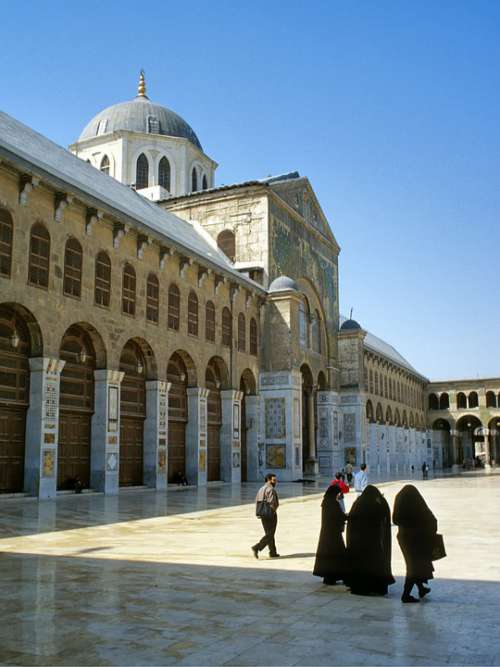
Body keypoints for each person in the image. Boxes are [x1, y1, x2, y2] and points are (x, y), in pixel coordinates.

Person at [346, 484, 395, 596]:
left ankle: (360, 586)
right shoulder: (376, 503)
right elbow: (384, 515)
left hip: (358, 542)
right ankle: (377, 587)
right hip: (373, 542)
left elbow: (351, 520)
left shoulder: (358, 503)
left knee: (361, 564)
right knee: (374, 563)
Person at [393, 484, 438, 603]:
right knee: (413, 566)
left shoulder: (399, 498)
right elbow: (430, 518)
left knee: (414, 564)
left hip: (403, 537)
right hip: (416, 539)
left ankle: (421, 589)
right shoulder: (416, 501)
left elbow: (395, 519)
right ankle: (405, 595)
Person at [313, 485, 349, 585]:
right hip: (333, 534)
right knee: (337, 554)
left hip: (326, 532)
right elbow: (339, 516)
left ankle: (328, 577)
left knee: (328, 555)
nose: (339, 496)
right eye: (338, 494)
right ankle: (335, 575)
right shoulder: (333, 503)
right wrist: (348, 516)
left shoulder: (325, 502)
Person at [252, 473, 280, 559]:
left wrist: (259, 513)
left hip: (263, 514)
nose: (276, 482)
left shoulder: (261, 489)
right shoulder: (270, 489)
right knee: (270, 534)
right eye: (274, 480)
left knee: (269, 533)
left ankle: (273, 552)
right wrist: (273, 511)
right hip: (270, 514)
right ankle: (257, 547)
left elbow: (257, 501)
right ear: (269, 480)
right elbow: (272, 503)